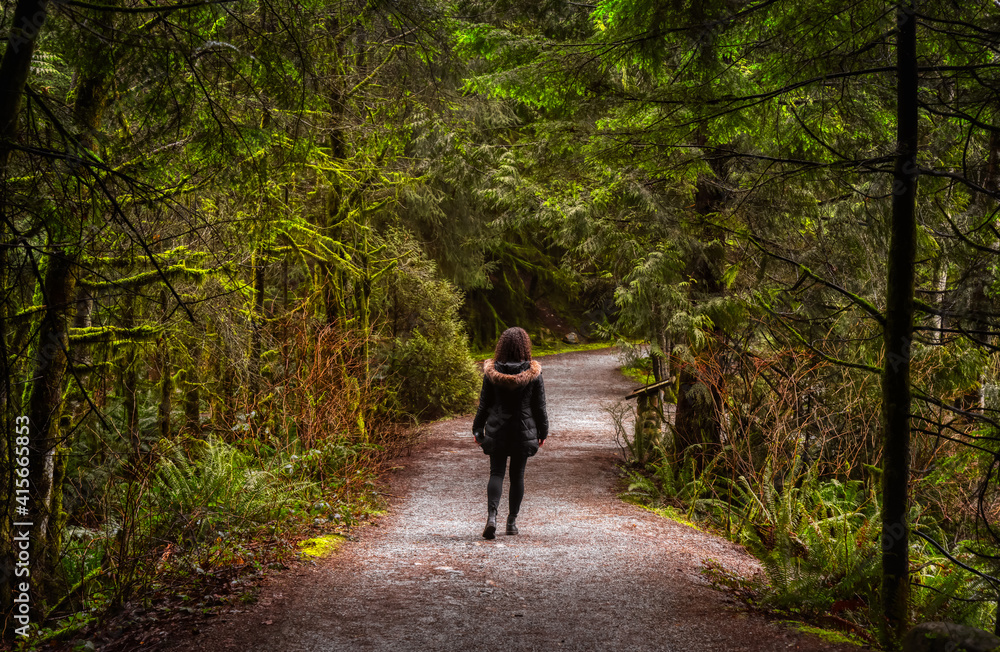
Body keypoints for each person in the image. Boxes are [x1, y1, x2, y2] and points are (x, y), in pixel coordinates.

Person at [472, 326, 549, 539]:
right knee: (517, 476)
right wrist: (543, 431)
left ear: (502, 347)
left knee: (496, 473)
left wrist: (477, 428)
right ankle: (512, 522)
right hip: (523, 432)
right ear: (525, 347)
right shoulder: (534, 375)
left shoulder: (492, 373)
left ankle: (491, 518)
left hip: (497, 429)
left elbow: (484, 404)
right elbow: (540, 407)